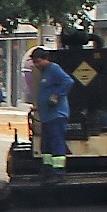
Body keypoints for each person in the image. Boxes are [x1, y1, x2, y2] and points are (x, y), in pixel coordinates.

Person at [29, 46, 74, 174]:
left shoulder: (54, 69)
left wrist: (56, 95)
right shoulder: (44, 72)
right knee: (46, 145)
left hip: (56, 115)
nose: (36, 65)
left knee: (56, 142)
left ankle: (58, 172)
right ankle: (47, 169)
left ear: (45, 59)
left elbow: (68, 81)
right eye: (34, 62)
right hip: (47, 116)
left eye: (38, 61)